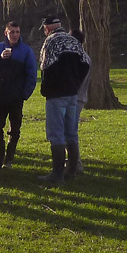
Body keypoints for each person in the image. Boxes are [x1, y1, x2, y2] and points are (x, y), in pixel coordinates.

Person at [36, 16, 90, 184]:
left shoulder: (51, 42)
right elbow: (85, 63)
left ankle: (57, 174)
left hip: (56, 94)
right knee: (71, 133)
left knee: (56, 134)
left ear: (47, 28)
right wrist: (75, 82)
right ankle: (71, 171)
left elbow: (46, 66)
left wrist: (47, 89)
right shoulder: (73, 41)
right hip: (72, 94)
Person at [0, 21, 38, 169]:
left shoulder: (26, 51)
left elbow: (32, 75)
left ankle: (9, 160)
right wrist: (0, 58)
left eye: (17, 32)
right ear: (6, 33)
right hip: (0, 94)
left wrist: (24, 94)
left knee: (14, 129)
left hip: (16, 96)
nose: (15, 35)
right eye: (12, 32)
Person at [70, 29, 91, 174]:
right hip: (80, 97)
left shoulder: (79, 58)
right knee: (71, 130)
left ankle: (76, 163)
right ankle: (73, 161)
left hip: (75, 98)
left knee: (71, 131)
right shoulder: (85, 57)